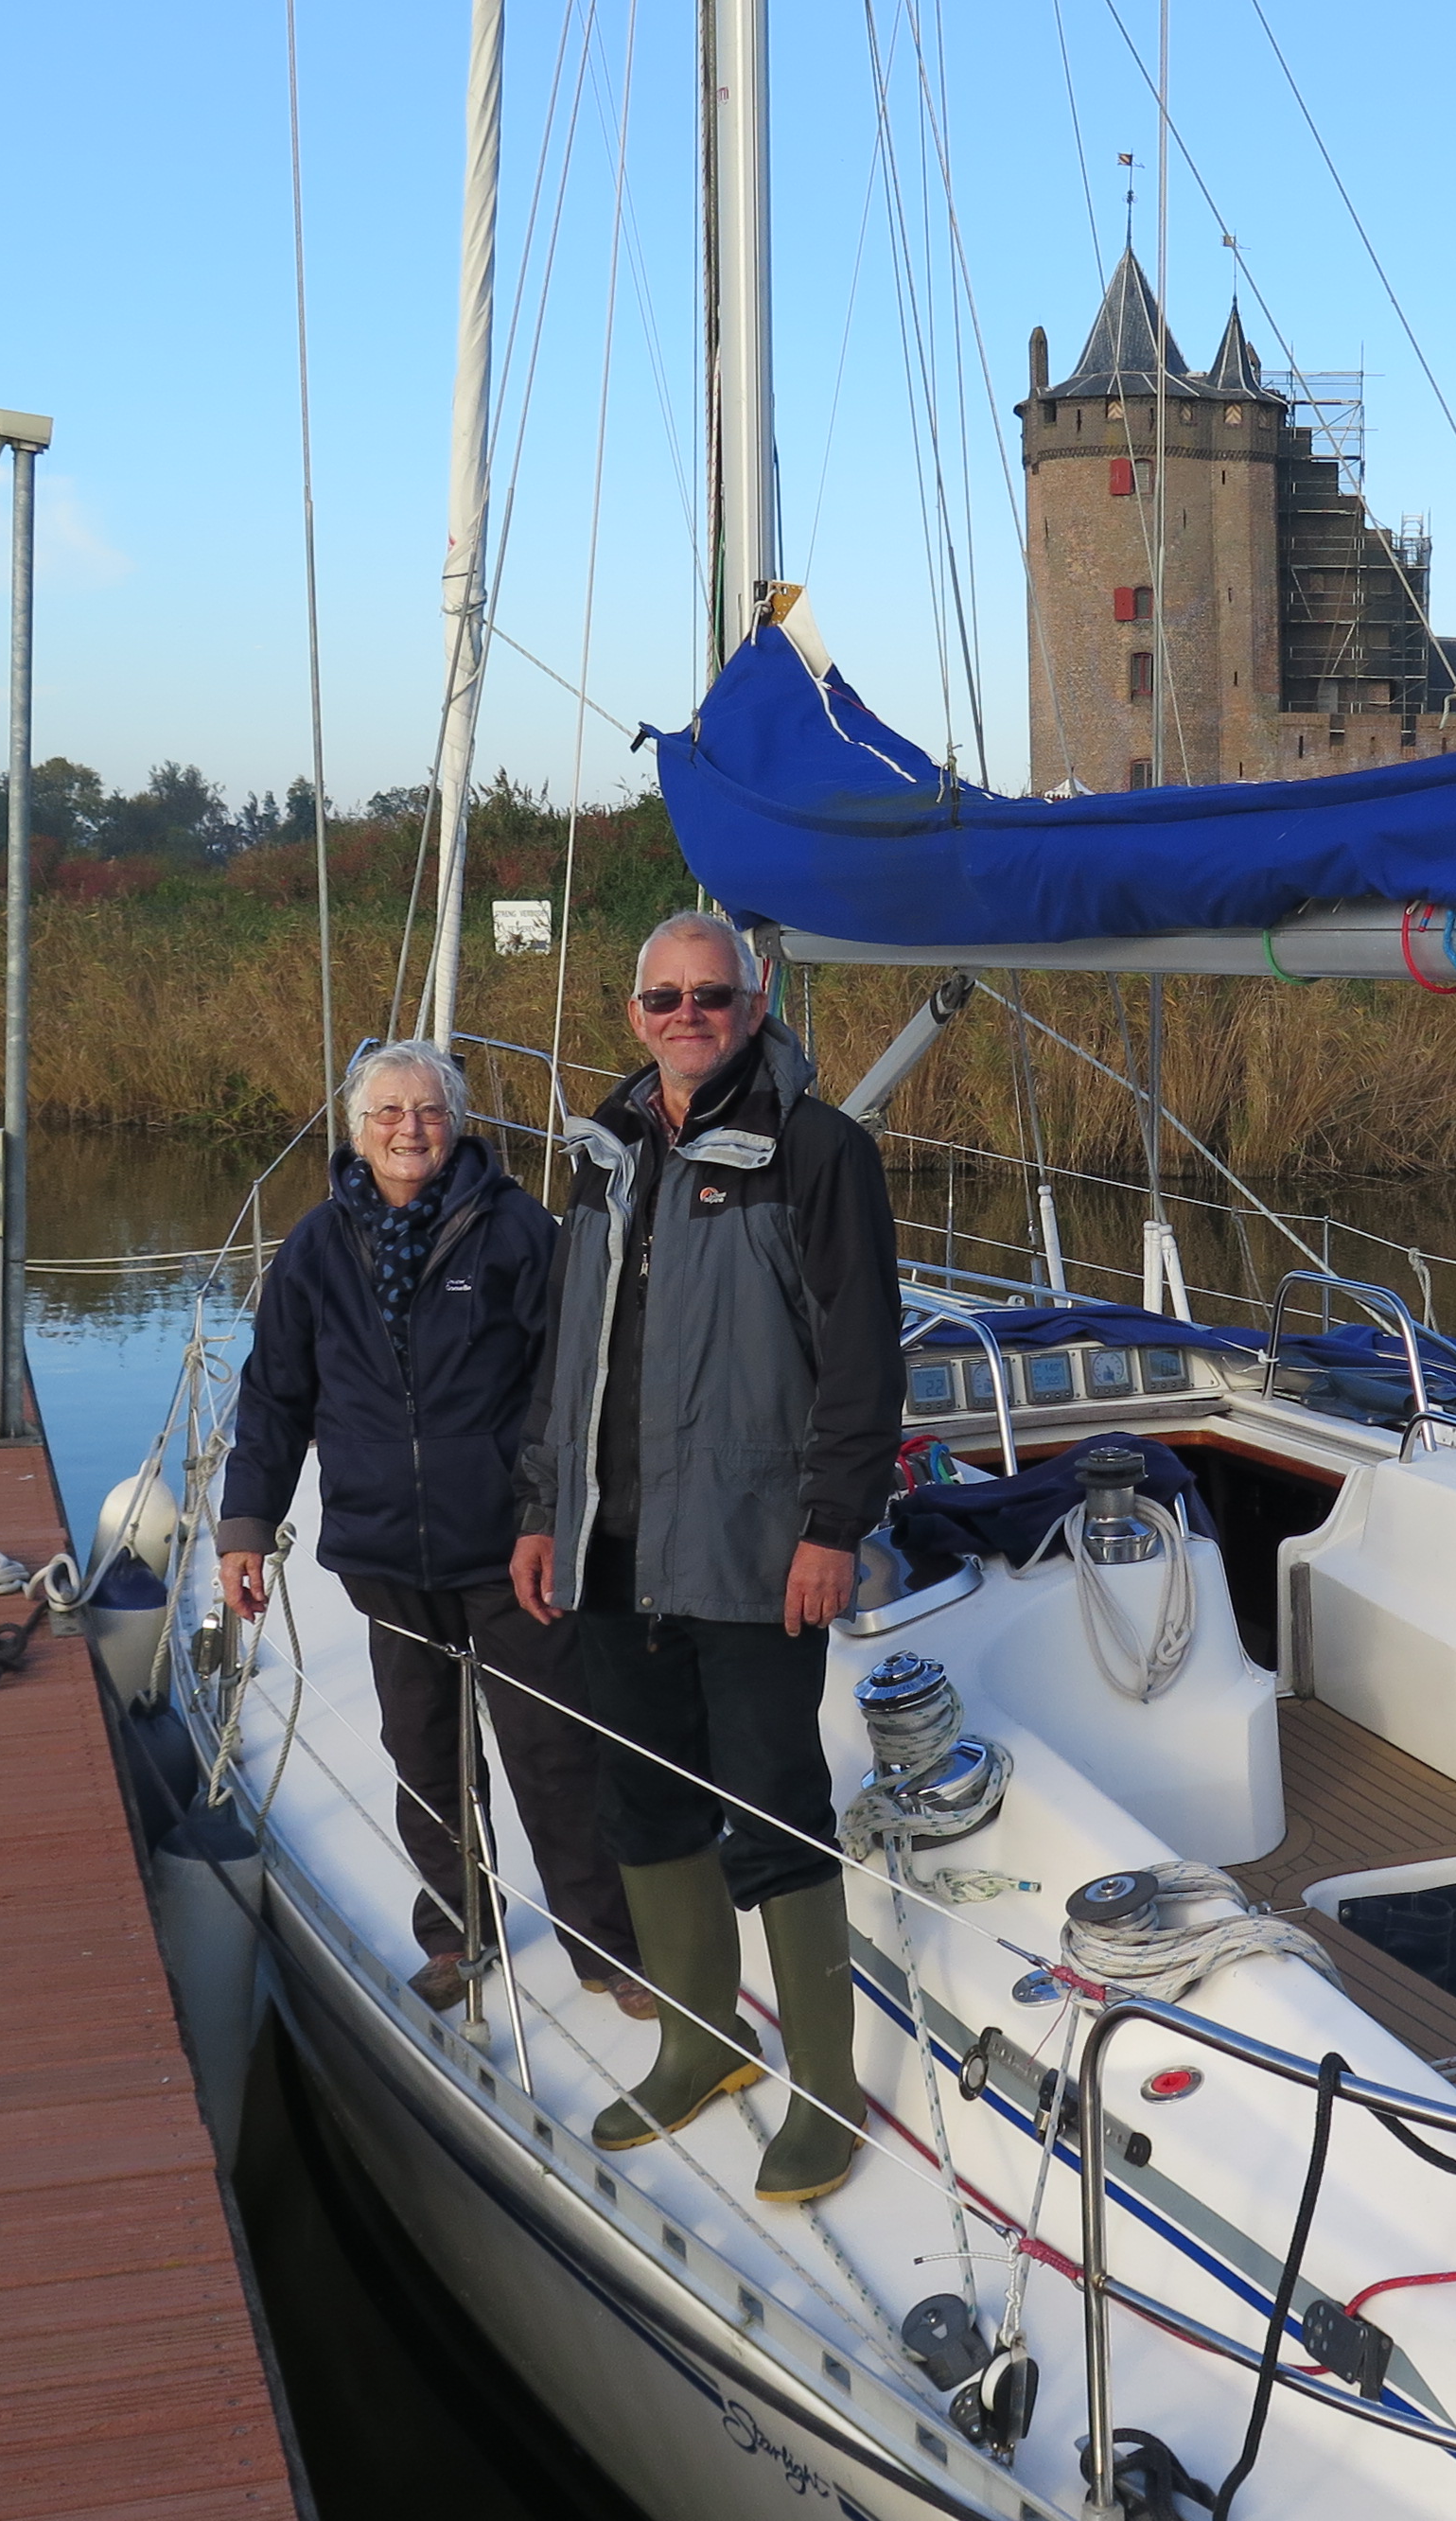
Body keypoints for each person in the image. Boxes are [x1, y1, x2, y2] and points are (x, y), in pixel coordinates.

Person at [511, 909, 903, 2206]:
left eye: (712, 997)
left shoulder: (817, 1150)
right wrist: (540, 1507)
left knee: (776, 1803)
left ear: (755, 999)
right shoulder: (606, 1152)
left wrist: (832, 1527)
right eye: (664, 998)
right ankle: (701, 2043)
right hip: (612, 1544)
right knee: (640, 1797)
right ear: (634, 1013)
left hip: (753, 1547)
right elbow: (570, 1351)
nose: (689, 1017)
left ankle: (827, 2090)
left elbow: (861, 1363)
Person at [220, 1039, 643, 2019]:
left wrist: (547, 1513)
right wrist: (247, 1522)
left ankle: (603, 1944)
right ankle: (459, 1933)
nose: (410, 1130)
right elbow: (275, 1398)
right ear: (357, 1130)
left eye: (429, 1112)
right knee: (424, 1754)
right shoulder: (316, 1250)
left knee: (556, 1752)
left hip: (510, 1552)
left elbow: (570, 1390)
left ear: (456, 1125)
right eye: (388, 1114)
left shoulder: (517, 1235)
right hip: (383, 1556)